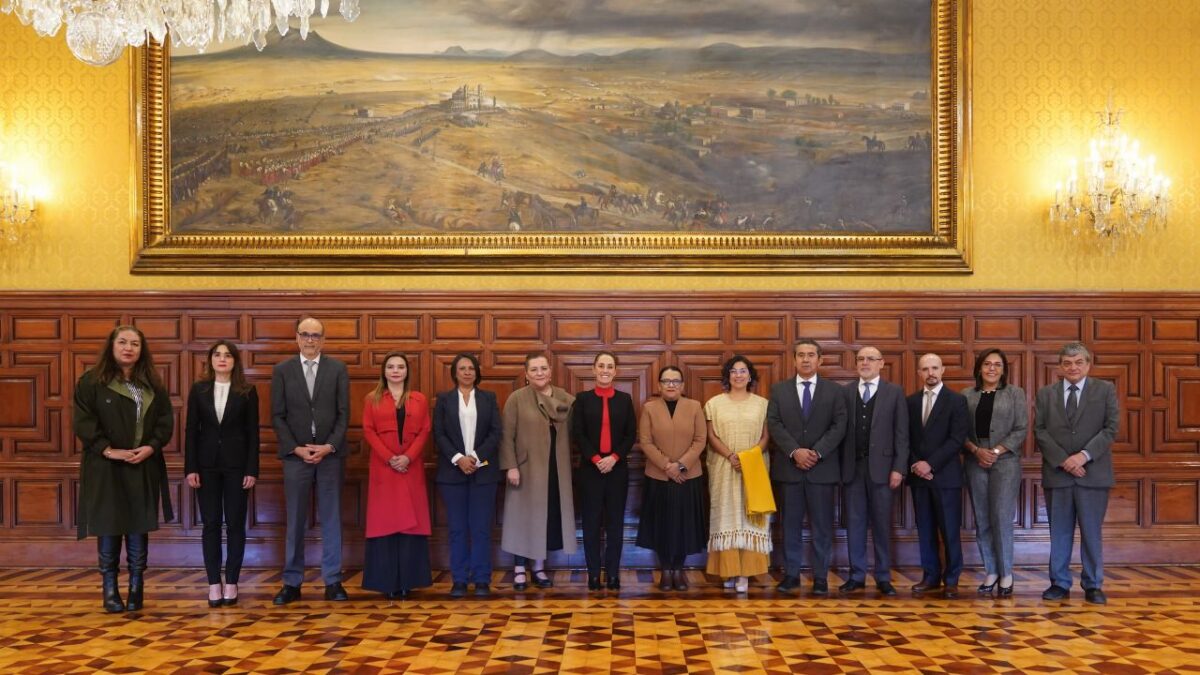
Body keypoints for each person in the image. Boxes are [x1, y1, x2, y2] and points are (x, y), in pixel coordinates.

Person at [74, 325, 174, 613]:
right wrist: (107, 449)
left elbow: (165, 421)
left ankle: (136, 587)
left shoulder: (152, 384)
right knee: (109, 525)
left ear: (142, 350)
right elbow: (83, 421)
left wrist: (151, 446)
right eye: (122, 342)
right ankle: (110, 590)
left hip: (142, 464)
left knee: (138, 525)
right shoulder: (91, 382)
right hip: (105, 465)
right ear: (112, 346)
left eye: (135, 344)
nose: (128, 348)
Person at [271, 315, 350, 605]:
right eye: (305, 334)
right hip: (296, 457)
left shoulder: (337, 369)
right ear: (296, 338)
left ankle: (333, 581)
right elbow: (277, 416)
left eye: (316, 335)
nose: (310, 340)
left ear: (323, 340)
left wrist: (329, 446)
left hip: (331, 456)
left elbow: (344, 414)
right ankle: (292, 582)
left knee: (331, 519)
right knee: (295, 521)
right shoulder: (282, 370)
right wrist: (296, 448)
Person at [1036, 342, 1119, 605]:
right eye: (1068, 363)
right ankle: (1059, 582)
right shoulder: (1046, 394)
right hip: (1058, 474)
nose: (1073, 367)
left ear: (1088, 364)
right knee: (1059, 532)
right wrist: (1063, 460)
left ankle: (1093, 584)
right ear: (1060, 366)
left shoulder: (1105, 390)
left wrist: (1083, 456)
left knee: (1091, 532)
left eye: (1078, 362)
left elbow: (1110, 428)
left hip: (1093, 474)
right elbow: (1040, 431)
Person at [766, 339, 847, 596]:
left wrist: (816, 452)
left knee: (822, 527)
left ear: (820, 360)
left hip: (821, 470)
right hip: (790, 470)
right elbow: (775, 424)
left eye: (811, 355)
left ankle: (821, 576)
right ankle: (791, 575)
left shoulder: (835, 391)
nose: (805, 359)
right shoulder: (779, 390)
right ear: (794, 360)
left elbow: (839, 426)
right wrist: (795, 452)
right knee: (789, 525)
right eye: (800, 355)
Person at [184, 340, 259, 608]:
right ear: (210, 360)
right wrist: (190, 467)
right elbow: (191, 430)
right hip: (206, 467)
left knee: (236, 524)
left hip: (238, 467)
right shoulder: (199, 389)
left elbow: (253, 433)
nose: (222, 359)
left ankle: (232, 582)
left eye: (228, 355)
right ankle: (214, 582)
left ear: (235, 361)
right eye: (217, 355)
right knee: (211, 524)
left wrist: (252, 469)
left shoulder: (247, 391)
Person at [500, 352, 577, 590]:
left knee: (546, 518)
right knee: (522, 519)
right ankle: (520, 569)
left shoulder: (567, 399)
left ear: (551, 371)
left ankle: (539, 568)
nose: (539, 373)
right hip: (525, 470)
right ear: (526, 374)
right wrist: (511, 465)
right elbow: (506, 435)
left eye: (543, 368)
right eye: (534, 369)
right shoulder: (517, 398)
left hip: (556, 469)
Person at [362, 352, 432, 600]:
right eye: (390, 366)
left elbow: (425, 430)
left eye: (400, 367)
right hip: (384, 470)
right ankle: (387, 582)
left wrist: (408, 457)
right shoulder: (373, 398)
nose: (395, 371)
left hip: (410, 469)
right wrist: (390, 457)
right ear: (384, 371)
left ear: (406, 371)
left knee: (411, 526)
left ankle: (408, 582)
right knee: (386, 525)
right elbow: (369, 431)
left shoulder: (419, 399)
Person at [839, 345, 908, 596]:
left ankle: (883, 576)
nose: (865, 363)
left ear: (881, 363)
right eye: (860, 359)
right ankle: (856, 575)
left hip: (884, 469)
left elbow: (902, 434)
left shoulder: (894, 392)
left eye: (870, 359)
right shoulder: (845, 393)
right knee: (855, 524)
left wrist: (899, 468)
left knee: (881, 524)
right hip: (852, 469)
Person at [434, 353, 502, 598]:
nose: (467, 372)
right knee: (458, 529)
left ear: (476, 372)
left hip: (483, 472)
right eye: (462, 368)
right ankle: (460, 579)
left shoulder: (488, 398)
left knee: (481, 528)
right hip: (452, 473)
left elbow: (496, 433)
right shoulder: (444, 400)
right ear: (455, 372)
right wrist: (458, 458)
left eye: (471, 368)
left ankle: (482, 579)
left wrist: (473, 456)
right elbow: (439, 434)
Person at [962, 348, 1027, 597]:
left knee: (1001, 517)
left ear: (1003, 369)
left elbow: (1021, 428)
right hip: (975, 462)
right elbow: (960, 431)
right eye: (987, 364)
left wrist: (996, 451)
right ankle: (990, 570)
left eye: (997, 365)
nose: (991, 368)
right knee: (982, 517)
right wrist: (976, 450)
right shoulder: (967, 395)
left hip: (1006, 463)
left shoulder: (1014, 394)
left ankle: (1006, 573)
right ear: (979, 368)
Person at [636, 366, 708, 592]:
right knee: (662, 525)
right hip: (659, 476)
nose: (671, 385)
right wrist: (667, 465)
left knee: (685, 525)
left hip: (689, 476)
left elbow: (700, 439)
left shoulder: (694, 406)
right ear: (659, 385)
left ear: (683, 385)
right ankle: (665, 570)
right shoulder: (649, 408)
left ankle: (679, 569)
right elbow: (645, 441)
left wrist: (681, 465)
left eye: (676, 381)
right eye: (666, 381)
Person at [704, 355, 770, 594]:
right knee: (726, 516)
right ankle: (728, 570)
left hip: (754, 468)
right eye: (734, 371)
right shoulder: (714, 403)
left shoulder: (762, 404)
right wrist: (731, 456)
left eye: (743, 371)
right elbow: (711, 436)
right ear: (728, 376)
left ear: (750, 376)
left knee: (750, 516)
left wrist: (748, 457)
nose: (738, 375)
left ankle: (746, 573)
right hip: (724, 467)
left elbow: (766, 436)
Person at [572, 351, 637, 591]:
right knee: (590, 524)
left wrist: (614, 458)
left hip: (617, 470)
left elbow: (631, 434)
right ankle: (592, 575)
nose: (605, 370)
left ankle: (612, 574)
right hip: (590, 470)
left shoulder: (625, 400)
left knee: (614, 524)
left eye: (610, 366)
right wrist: (597, 458)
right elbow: (578, 433)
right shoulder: (582, 399)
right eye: (601, 365)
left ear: (615, 371)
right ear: (593, 369)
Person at [906, 353, 969, 599]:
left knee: (950, 529)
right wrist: (915, 464)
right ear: (919, 373)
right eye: (925, 369)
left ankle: (952, 579)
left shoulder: (957, 401)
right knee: (925, 529)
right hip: (918, 477)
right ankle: (930, 576)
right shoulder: (910, 402)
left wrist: (930, 464)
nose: (930, 373)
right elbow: (905, 438)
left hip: (946, 475)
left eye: (934, 368)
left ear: (942, 370)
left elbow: (957, 439)